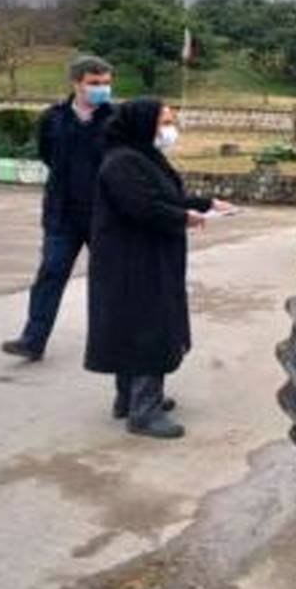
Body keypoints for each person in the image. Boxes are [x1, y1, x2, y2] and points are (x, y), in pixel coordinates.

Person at [84, 99, 233, 439]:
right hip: (133, 263)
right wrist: (184, 218)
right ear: (142, 123)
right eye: (163, 122)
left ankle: (129, 399)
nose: (169, 129)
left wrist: (206, 204)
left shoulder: (143, 156)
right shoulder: (121, 162)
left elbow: (165, 195)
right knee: (149, 329)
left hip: (143, 258)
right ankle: (144, 411)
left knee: (133, 327)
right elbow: (144, 206)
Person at [1, 55, 115, 361]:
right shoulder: (53, 118)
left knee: (109, 279)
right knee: (50, 273)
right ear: (76, 83)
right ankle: (32, 339)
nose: (102, 89)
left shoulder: (116, 119)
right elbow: (47, 154)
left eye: (106, 83)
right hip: (62, 213)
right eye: (94, 83)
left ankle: (112, 342)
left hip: (104, 214)